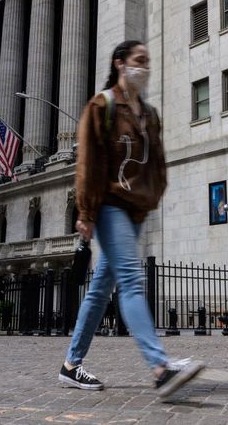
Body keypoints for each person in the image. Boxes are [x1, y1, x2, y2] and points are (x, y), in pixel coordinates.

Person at [58, 40, 205, 398]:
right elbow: (88, 163)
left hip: (136, 208)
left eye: (148, 61)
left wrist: (154, 195)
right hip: (110, 205)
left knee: (99, 289)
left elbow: (158, 163)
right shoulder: (102, 106)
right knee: (132, 282)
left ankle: (71, 365)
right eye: (139, 60)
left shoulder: (149, 114)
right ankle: (159, 367)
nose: (145, 66)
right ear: (120, 64)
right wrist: (87, 212)